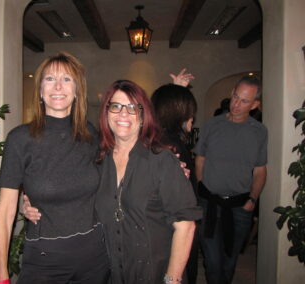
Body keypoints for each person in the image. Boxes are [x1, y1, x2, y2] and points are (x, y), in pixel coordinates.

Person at [0, 52, 110, 284]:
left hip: (95, 257)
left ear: (77, 91)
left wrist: (167, 161)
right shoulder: (20, 139)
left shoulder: (90, 135)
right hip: (44, 260)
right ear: (40, 90)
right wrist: (0, 274)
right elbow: (5, 210)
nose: (58, 86)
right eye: (49, 79)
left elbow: (119, 168)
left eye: (67, 79)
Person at [95, 79, 202, 284]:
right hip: (111, 272)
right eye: (116, 106)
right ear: (106, 113)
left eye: (132, 107)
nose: (123, 114)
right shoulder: (98, 160)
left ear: (144, 116)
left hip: (154, 273)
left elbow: (185, 225)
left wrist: (172, 279)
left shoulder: (162, 160)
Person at [194, 75, 267, 284]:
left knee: (229, 261)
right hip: (210, 204)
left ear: (254, 105)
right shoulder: (212, 125)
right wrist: (201, 188)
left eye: (244, 101)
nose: (236, 104)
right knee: (213, 263)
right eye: (235, 97)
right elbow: (200, 160)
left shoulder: (259, 132)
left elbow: (260, 171)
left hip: (240, 207)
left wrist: (252, 200)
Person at [151, 83, 200, 284]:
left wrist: (177, 89)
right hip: (174, 226)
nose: (192, 119)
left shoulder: (162, 139)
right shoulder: (170, 146)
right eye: (190, 114)